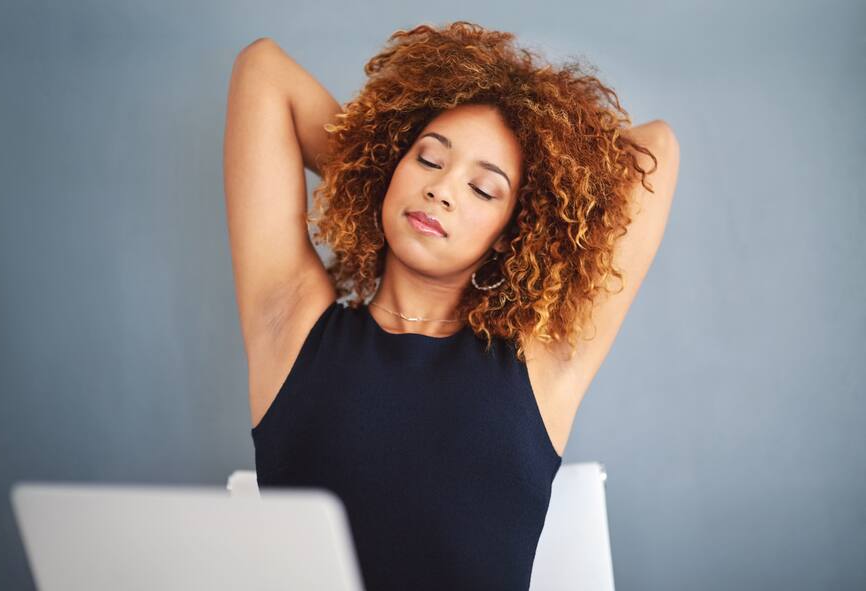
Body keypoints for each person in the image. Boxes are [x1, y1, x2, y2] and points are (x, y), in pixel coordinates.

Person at [223, 21, 679, 591]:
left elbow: (656, 148)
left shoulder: (543, 362)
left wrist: (527, 205)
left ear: (513, 233)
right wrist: (371, 169)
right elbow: (263, 69)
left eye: (483, 190)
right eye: (428, 160)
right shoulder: (291, 324)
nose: (440, 190)